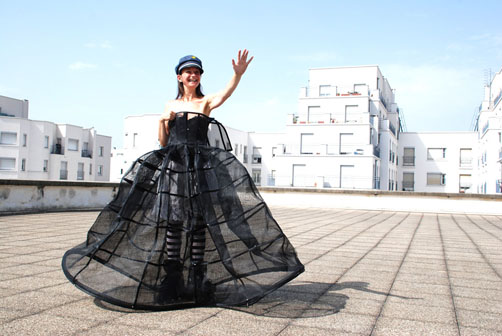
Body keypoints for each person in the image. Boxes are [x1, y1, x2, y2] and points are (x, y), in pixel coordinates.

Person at [62, 50, 304, 310]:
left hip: (200, 168)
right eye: (188, 72)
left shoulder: (206, 102)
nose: (193, 75)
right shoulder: (170, 105)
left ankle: (198, 279)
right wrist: (162, 122)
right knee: (174, 222)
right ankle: (172, 280)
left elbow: (226, 93)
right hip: (175, 168)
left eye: (197, 72)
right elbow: (164, 142)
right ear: (180, 76)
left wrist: (237, 74)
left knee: (199, 221)